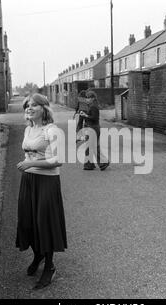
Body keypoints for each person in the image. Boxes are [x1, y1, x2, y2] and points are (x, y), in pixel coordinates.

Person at [16, 93, 67, 290]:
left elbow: (58, 160)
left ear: (44, 109)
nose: (29, 108)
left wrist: (31, 163)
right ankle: (38, 255)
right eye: (27, 105)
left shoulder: (51, 130)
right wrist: (29, 165)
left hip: (47, 182)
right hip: (28, 180)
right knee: (28, 221)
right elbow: (27, 152)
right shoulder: (28, 129)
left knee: (43, 222)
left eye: (34, 105)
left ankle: (50, 266)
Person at [79, 90, 110, 171]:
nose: (86, 99)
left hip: (93, 128)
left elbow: (94, 118)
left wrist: (85, 115)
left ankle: (102, 163)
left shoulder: (93, 106)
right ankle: (90, 165)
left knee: (92, 147)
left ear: (92, 98)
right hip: (92, 128)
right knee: (91, 147)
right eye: (86, 98)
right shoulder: (92, 106)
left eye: (88, 98)